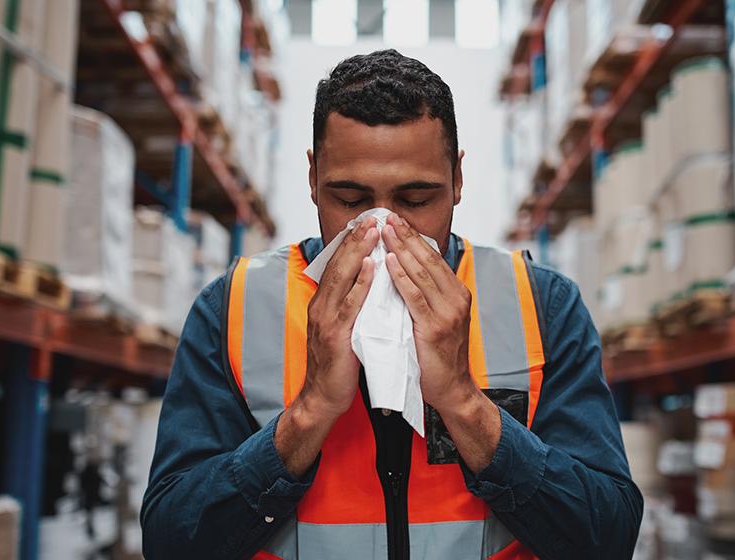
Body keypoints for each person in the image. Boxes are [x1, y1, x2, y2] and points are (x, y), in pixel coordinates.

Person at [141, 49, 642, 559]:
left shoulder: (539, 303)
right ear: (313, 179)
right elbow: (171, 542)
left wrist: (465, 406)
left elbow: (607, 537)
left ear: (458, 181)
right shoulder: (235, 308)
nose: (383, 229)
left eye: (417, 200)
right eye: (351, 199)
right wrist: (309, 413)